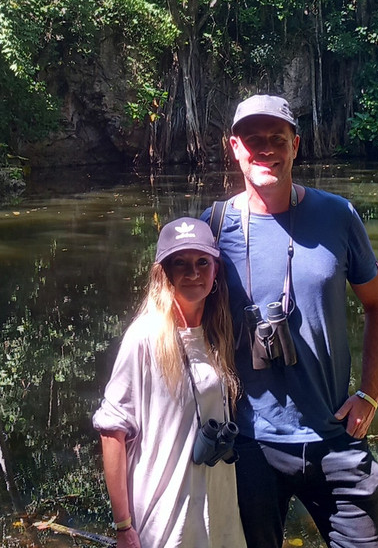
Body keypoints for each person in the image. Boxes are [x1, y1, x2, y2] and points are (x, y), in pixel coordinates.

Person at [203, 94, 378, 548]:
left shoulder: (338, 215)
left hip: (334, 435)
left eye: (277, 138)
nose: (265, 148)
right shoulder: (213, 226)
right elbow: (178, 320)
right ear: (235, 148)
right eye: (253, 139)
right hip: (249, 444)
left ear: (296, 145)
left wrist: (369, 393)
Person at [93, 217, 247, 548]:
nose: (193, 272)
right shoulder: (145, 337)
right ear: (164, 273)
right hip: (165, 519)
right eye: (181, 263)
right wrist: (123, 525)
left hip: (217, 510)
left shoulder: (217, 334)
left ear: (215, 271)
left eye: (202, 262)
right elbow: (111, 432)